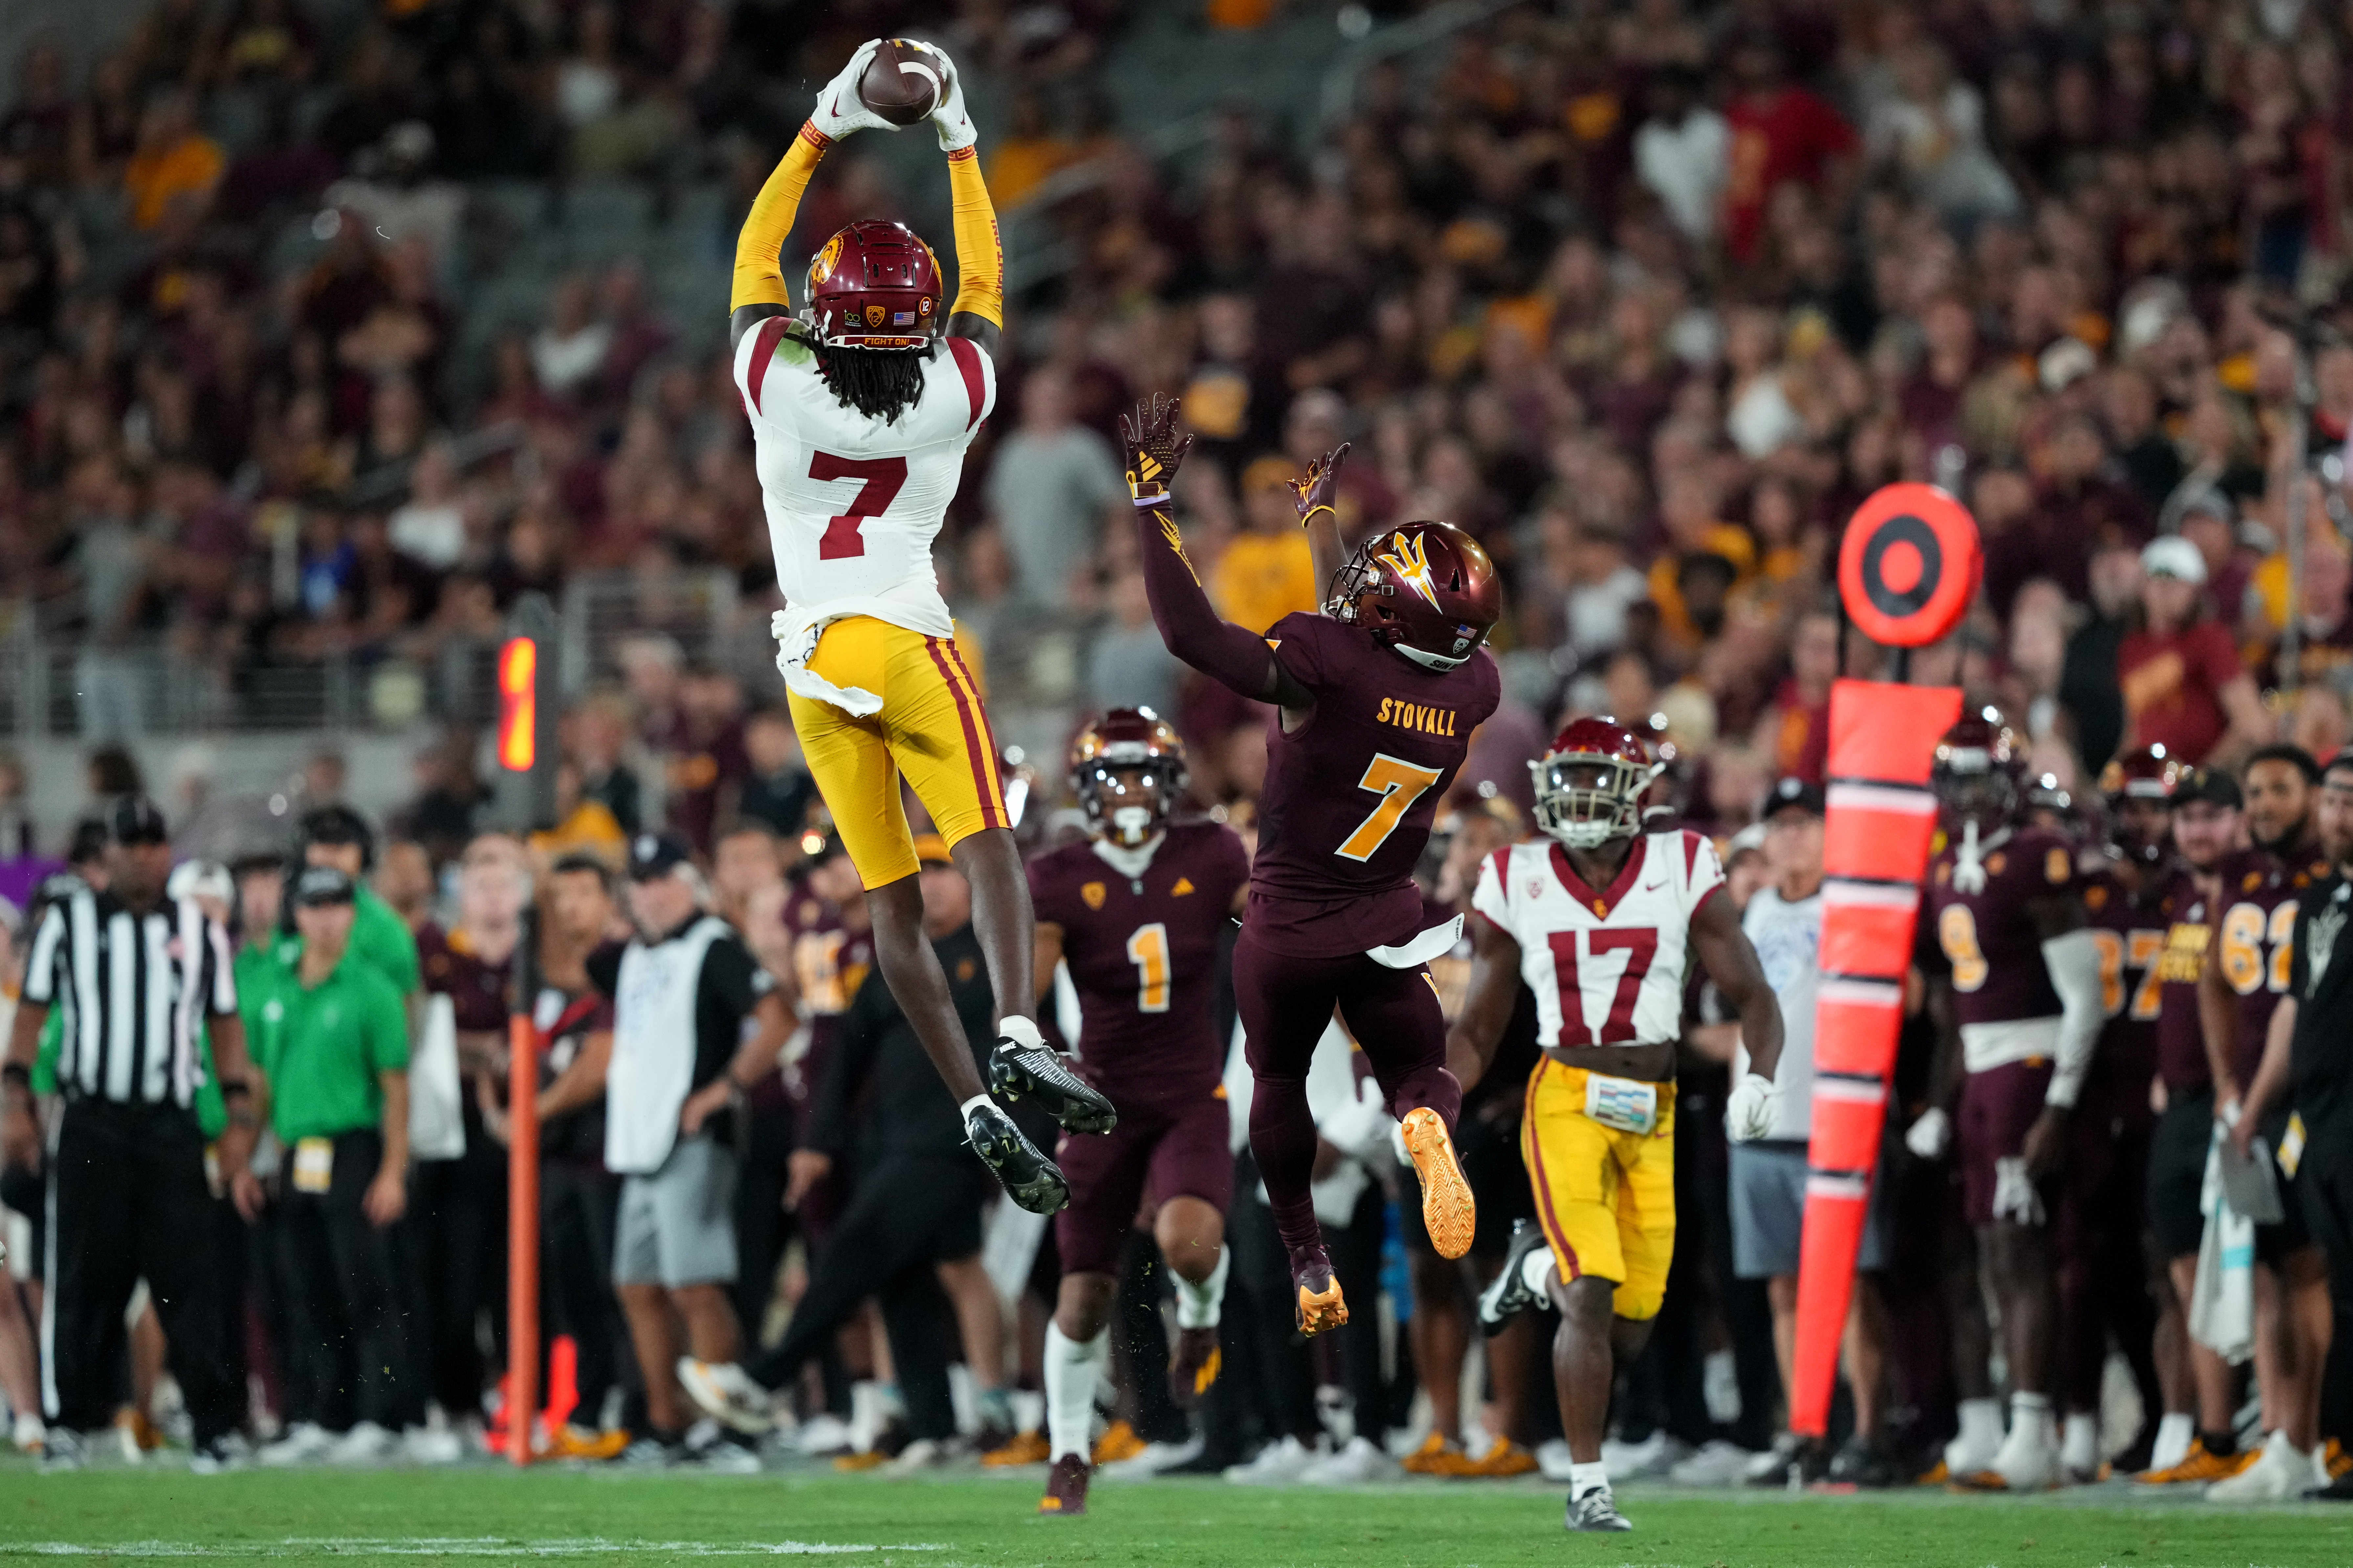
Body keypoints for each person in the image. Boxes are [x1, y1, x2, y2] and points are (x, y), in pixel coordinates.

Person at [725, 36, 1107, 1211]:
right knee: (986, 836)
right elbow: (985, 286)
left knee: (888, 897)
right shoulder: (955, 392)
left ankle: (972, 1101)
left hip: (809, 657)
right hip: (902, 635)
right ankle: (1015, 1024)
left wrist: (824, 123)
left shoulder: (775, 378)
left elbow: (753, 253)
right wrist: (958, 137)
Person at [1124, 392, 1495, 1339]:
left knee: (1279, 1084)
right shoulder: (1470, 685)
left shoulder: (1323, 660)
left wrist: (1148, 505)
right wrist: (1320, 524)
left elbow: (1192, 638)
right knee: (1418, 1066)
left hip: (1288, 924)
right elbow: (1369, 631)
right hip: (1387, 918)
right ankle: (1424, 1122)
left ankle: (1304, 1253)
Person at [1449, 719, 1785, 1532]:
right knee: (1593, 1295)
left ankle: (1535, 1272)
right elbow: (1479, 1028)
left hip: (1655, 1112)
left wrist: (1762, 1076)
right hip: (1563, 1097)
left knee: (1630, 1324)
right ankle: (1588, 1485)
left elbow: (1757, 996)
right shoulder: (1515, 875)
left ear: (1639, 792)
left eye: (1599, 777)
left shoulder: (1682, 864)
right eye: (1567, 781)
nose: (1582, 796)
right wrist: (1435, 1099)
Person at [677, 837, 1012, 1465]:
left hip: (960, 1141)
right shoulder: (899, 959)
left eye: (946, 870)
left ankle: (766, 1377)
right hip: (889, 1142)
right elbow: (844, 1060)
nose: (934, 884)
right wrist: (818, 1144)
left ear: (972, 883)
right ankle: (934, 1425)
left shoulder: (998, 957)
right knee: (901, 1281)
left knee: (857, 1252)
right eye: (924, 871)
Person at [1025, 710, 1252, 1516]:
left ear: (1169, 784)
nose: (1128, 792)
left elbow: (1271, 931)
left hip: (1190, 1092)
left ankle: (1200, 1317)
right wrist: (1039, 1057)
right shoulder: (1056, 875)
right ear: (1087, 788)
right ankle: (1069, 1450)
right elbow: (1026, 998)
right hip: (1101, 1101)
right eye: (1113, 776)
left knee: (1189, 1245)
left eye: (1143, 775)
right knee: (1083, 1297)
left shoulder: (1216, 852)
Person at [2, 796, 258, 1473]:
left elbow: (225, 1024)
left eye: (154, 842)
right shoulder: (68, 923)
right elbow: (32, 1013)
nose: (144, 854)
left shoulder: (199, 931)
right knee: (83, 1273)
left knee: (189, 1278)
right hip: (93, 1121)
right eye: (131, 843)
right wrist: (15, 1100)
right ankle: (70, 1422)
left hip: (169, 1122)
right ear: (107, 854)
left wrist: (236, 1115)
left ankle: (212, 1426)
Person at [1907, 716, 2105, 1493]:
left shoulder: (2035, 856)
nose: (1966, 795)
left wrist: (2058, 1102)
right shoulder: (1948, 862)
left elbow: (2086, 995)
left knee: (2021, 1256)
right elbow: (1957, 1002)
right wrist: (1940, 1101)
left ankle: (2036, 1434)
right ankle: (1993, 1425)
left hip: (2030, 1064)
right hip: (1983, 1077)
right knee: (1981, 1252)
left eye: (1979, 778)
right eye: (1954, 778)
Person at [591, 832, 792, 1467]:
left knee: (695, 1285)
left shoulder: (714, 947)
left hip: (694, 1140)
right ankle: (668, 1424)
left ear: (689, 882)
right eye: (639, 883)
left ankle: (734, 1428)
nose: (647, 894)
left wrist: (724, 1089)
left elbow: (779, 1018)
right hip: (641, 1141)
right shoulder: (636, 954)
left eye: (659, 881)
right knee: (639, 1286)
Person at [1717, 777, 1896, 1486]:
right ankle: (1805, 1429)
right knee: (1784, 1290)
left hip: (1834, 1120)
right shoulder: (1756, 908)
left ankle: (1869, 1431)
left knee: (1850, 1286)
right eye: (1780, 823)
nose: (1792, 835)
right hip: (1762, 1119)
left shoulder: (1851, 905)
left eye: (1805, 821)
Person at [246, 864, 428, 1465]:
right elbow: (263, 1084)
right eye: (315, 907)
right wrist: (250, 1158)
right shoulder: (278, 986)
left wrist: (393, 1170)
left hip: (354, 1149)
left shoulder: (372, 988)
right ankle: (322, 1415)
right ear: (296, 914)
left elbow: (397, 1087)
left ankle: (383, 1417)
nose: (328, 919)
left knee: (369, 1288)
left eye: (338, 906)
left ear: (353, 912)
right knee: (306, 1289)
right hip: (298, 1153)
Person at [2198, 744, 2334, 1500]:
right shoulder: (2241, 878)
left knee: (2306, 1268)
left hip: (2303, 1101)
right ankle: (2283, 1434)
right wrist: (2226, 1084)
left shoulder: (2329, 879)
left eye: (2281, 789)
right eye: (2255, 791)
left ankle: (2302, 1437)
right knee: (2274, 1270)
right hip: (2254, 1101)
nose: (2264, 804)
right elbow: (2214, 981)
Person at [2138, 764, 2258, 1485]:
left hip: (2248, 1102)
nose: (2197, 831)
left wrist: (2235, 1086)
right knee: (2187, 1276)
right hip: (2180, 1108)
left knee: (2271, 1275)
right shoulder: (2182, 897)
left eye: (2212, 816)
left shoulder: (2259, 893)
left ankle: (2279, 1430)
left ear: (2239, 822)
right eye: (2188, 819)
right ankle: (2215, 1438)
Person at [2060, 748, 2176, 1481]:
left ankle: (2187, 1421)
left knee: (2173, 1271)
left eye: (2149, 805)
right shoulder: (2087, 891)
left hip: (2170, 1103)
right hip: (2099, 1105)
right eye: (2127, 806)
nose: (2138, 820)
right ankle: (2151, 1412)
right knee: (2101, 1273)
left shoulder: (2199, 890)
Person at [2265, 751, 2353, 1500]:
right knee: (2343, 1283)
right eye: (2332, 800)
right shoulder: (2320, 896)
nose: (2337, 815)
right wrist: (2264, 1099)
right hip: (2319, 1114)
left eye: (2350, 801)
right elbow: (2297, 1006)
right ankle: (2346, 1448)